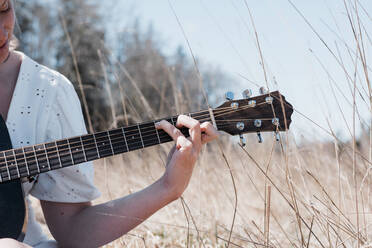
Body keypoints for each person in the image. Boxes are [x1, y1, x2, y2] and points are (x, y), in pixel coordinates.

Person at [0, 0, 219, 247]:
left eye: (4, 8)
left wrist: (168, 187)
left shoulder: (47, 92)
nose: (1, 32)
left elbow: (73, 229)